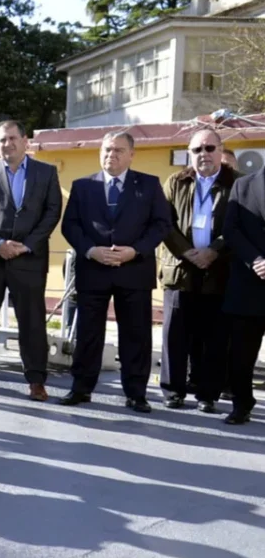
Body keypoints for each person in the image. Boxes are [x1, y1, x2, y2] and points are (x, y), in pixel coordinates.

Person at [59, 131, 171, 413]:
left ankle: (136, 393)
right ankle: (81, 389)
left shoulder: (148, 184)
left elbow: (161, 224)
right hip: (93, 270)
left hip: (134, 270)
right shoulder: (83, 186)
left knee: (136, 334)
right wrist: (90, 250)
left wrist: (136, 250)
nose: (112, 155)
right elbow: (70, 225)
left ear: (131, 154)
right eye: (107, 149)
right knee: (87, 333)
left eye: (119, 150)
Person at [0, 121, 62, 401]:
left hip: (28, 259)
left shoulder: (46, 173)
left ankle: (36, 381)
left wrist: (27, 245)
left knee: (32, 323)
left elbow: (52, 212)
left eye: (12, 138)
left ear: (25, 141)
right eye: (2, 140)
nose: (7, 144)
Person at [157, 129, 237, 413]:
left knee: (216, 338)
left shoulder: (237, 184)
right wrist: (187, 252)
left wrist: (214, 250)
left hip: (220, 271)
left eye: (209, 148)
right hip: (180, 269)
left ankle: (208, 395)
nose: (203, 154)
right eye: (196, 150)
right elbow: (163, 222)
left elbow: (239, 225)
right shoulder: (175, 182)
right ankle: (172, 390)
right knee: (174, 335)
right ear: (189, 154)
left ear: (220, 150)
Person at [221, 157, 265, 425]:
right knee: (241, 353)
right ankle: (241, 403)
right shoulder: (243, 185)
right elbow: (231, 229)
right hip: (249, 283)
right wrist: (256, 260)